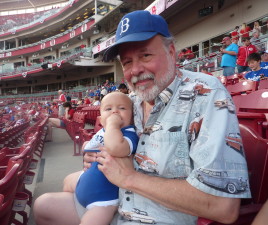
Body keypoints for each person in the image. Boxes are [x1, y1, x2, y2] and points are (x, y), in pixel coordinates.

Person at [33, 10, 251, 224]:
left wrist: (129, 178)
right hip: (115, 204)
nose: (135, 70)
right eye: (127, 62)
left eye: (145, 55)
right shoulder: (131, 103)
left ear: (172, 52)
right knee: (44, 206)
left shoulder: (205, 93)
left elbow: (224, 206)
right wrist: (97, 157)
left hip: (158, 217)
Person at [58, 92, 138, 225]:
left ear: (132, 118)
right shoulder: (104, 131)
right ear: (101, 119)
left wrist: (112, 124)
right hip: (86, 181)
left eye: (122, 108)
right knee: (67, 181)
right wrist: (86, 147)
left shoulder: (129, 134)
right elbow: (90, 147)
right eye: (108, 109)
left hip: (103, 201)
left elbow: (115, 147)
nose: (115, 112)